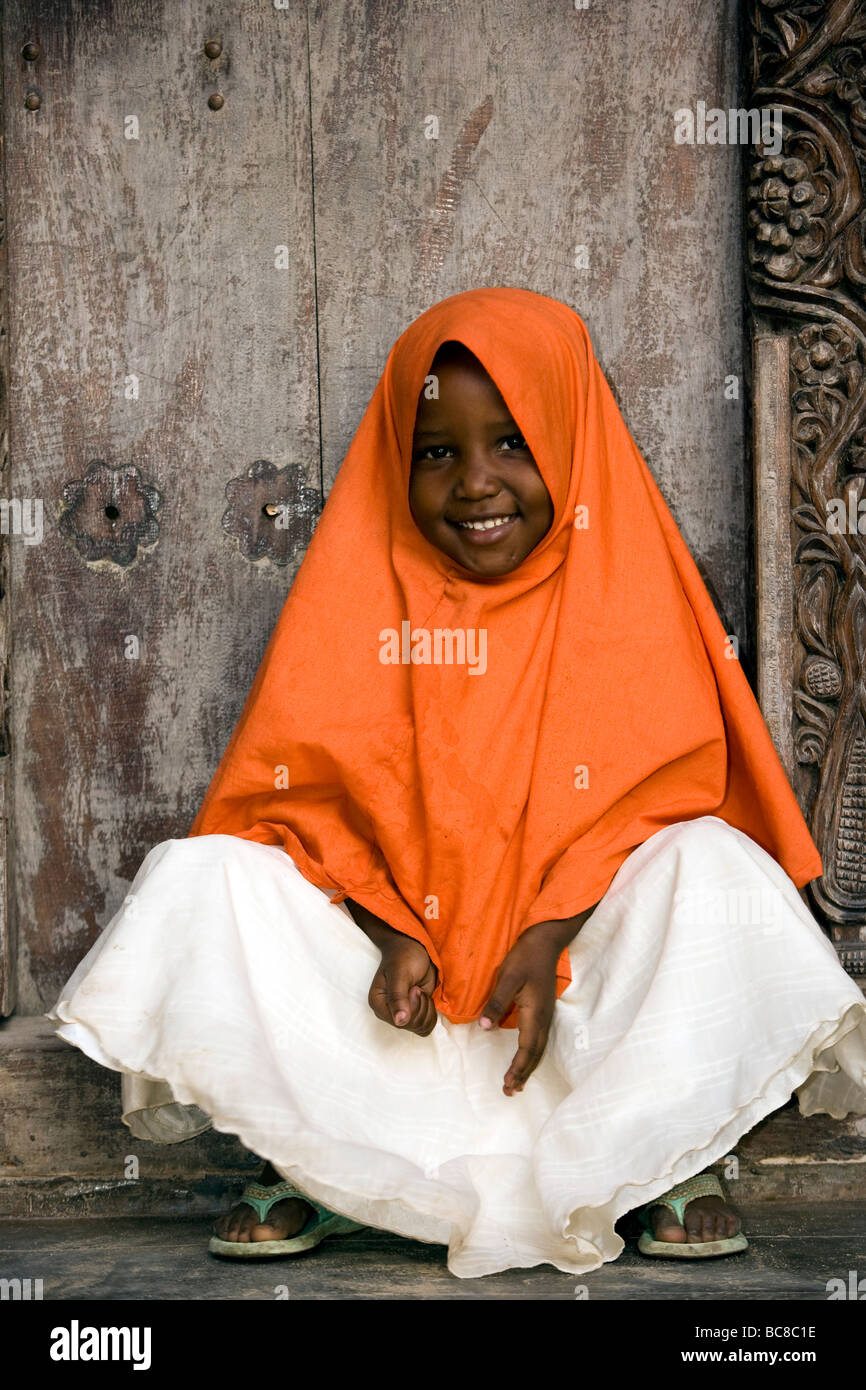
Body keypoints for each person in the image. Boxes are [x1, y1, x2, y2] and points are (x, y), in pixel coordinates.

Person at [49, 287, 866, 1280]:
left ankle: (647, 1153)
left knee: (715, 865)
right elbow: (304, 818)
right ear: (398, 456)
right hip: (399, 1031)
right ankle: (328, 1160)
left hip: (569, 1027)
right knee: (202, 875)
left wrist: (552, 925)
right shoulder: (363, 587)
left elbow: (656, 801)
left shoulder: (624, 587)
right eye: (437, 451)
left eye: (512, 444)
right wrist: (391, 929)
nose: (476, 483)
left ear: (569, 439)